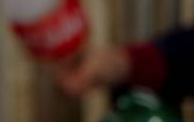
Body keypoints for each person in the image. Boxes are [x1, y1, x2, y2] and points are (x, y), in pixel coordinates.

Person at [58, 28, 194, 103]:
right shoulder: (121, 95)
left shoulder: (94, 63)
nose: (81, 89)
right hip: (167, 79)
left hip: (170, 58)